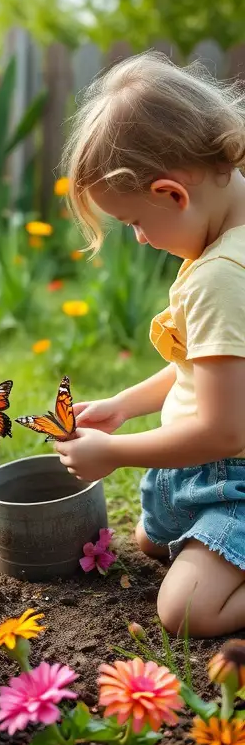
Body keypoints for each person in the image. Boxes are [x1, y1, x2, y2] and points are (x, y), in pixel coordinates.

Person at [57, 52, 245, 637]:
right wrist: (123, 405)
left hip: (230, 476)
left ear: (172, 193)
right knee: (149, 541)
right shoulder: (225, 246)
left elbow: (224, 430)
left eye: (135, 222)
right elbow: (204, 365)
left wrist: (114, 452)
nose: (139, 238)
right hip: (198, 472)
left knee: (184, 611)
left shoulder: (222, 275)